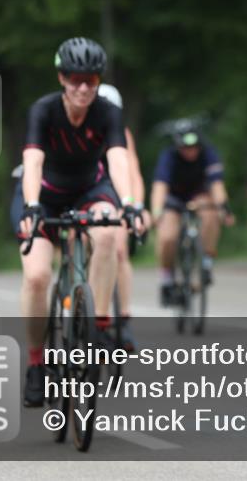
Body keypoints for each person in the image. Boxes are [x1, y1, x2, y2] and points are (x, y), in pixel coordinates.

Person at [12, 37, 144, 408]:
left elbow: (118, 161)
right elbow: (33, 162)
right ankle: (37, 362)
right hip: (44, 192)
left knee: (108, 233)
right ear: (61, 77)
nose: (83, 87)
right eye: (74, 79)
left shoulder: (107, 112)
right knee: (37, 277)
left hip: (90, 189)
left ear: (98, 80)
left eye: (90, 79)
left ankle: (99, 324)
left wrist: (130, 204)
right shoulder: (43, 110)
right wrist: (33, 205)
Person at [151, 120, 233, 306]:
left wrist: (224, 207)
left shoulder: (208, 153)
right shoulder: (169, 156)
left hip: (199, 196)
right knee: (167, 237)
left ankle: (206, 263)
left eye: (194, 147)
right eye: (185, 148)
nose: (190, 151)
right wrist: (156, 212)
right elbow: (160, 187)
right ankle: (166, 278)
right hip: (174, 198)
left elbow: (217, 185)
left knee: (211, 213)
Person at [97, 83, 151, 351]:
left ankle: (123, 320)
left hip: (117, 194)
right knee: (74, 239)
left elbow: (132, 171)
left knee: (119, 250)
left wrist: (138, 206)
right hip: (84, 190)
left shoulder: (122, 133)